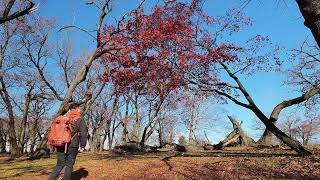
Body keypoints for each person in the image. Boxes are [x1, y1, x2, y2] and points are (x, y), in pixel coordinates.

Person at [49, 104, 88, 180]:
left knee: (59, 164)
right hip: (73, 145)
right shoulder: (80, 119)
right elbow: (83, 133)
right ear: (77, 109)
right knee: (69, 165)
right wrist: (83, 145)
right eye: (79, 108)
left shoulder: (63, 118)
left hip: (61, 144)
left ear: (69, 110)